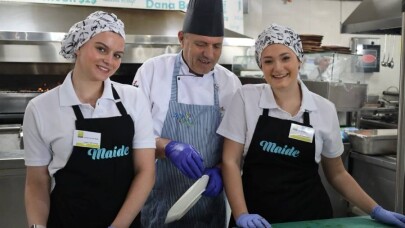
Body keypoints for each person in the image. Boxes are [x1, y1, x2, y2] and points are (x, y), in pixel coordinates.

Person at [217, 23, 405, 228]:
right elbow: (230, 162)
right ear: (260, 66)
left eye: (285, 58)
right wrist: (241, 214)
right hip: (256, 219)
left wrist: (375, 209)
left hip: (310, 217)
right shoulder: (246, 98)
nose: (278, 68)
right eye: (268, 61)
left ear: (299, 60)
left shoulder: (323, 109)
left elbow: (338, 174)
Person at [23, 11, 156, 228]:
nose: (109, 61)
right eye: (101, 49)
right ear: (79, 46)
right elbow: (37, 181)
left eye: (117, 55)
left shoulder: (133, 99)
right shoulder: (40, 108)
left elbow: (146, 172)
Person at [132, 0, 242, 226]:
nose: (209, 55)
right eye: (201, 44)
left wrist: (221, 171)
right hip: (160, 201)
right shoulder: (152, 72)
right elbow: (132, 135)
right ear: (182, 38)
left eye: (217, 46)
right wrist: (168, 147)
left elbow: (239, 145)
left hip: (210, 206)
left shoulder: (230, 84)